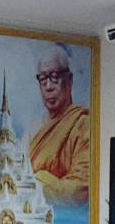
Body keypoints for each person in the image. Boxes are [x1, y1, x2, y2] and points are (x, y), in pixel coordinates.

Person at [28, 43, 91, 208]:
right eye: (43, 79)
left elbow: (80, 191)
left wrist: (38, 181)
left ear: (69, 81)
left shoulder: (82, 124)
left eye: (54, 77)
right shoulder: (33, 130)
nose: (49, 87)